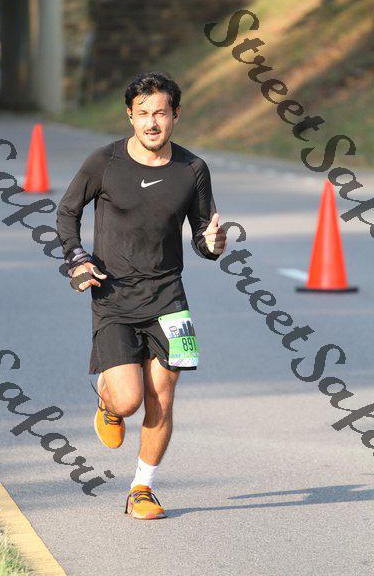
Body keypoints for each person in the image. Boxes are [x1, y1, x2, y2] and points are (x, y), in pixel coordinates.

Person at [56, 71, 227, 520]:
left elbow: (203, 237)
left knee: (163, 398)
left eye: (161, 113)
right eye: (143, 113)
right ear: (129, 116)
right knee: (129, 400)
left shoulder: (192, 169)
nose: (152, 122)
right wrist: (77, 258)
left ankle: (142, 489)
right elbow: (67, 212)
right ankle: (108, 401)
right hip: (113, 296)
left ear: (175, 115)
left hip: (170, 297)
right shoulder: (105, 162)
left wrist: (213, 244)